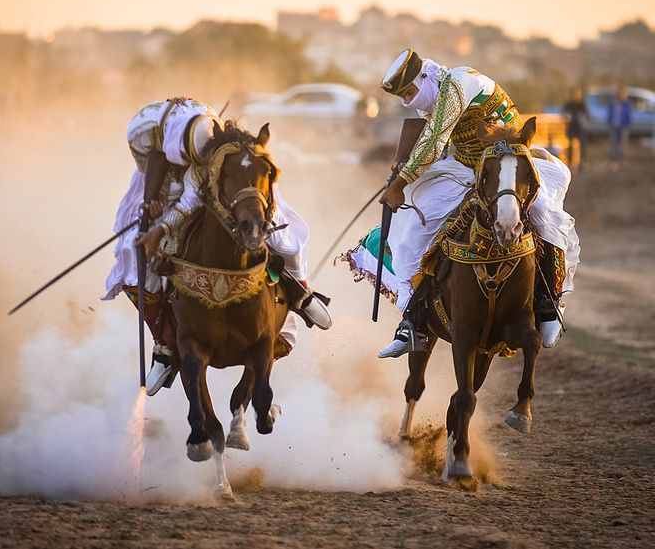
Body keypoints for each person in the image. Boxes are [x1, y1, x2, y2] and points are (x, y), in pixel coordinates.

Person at [102, 98, 331, 396]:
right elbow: (154, 166)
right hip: (162, 190)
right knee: (134, 258)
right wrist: (152, 210)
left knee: (281, 234)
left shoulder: (209, 141)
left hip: (222, 186)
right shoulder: (143, 131)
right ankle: (165, 344)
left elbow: (194, 195)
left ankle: (300, 293)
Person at [370, 49, 580, 357]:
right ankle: (411, 319)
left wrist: (401, 183)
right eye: (403, 96)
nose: (409, 100)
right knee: (415, 222)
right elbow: (439, 146)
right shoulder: (433, 98)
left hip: (509, 162)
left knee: (544, 215)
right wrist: (402, 173)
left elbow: (434, 140)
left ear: (425, 76)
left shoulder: (457, 83)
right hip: (468, 167)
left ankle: (549, 306)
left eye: (411, 91)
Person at [563, 87, 589, 173]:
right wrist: (567, 116)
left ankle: (582, 164)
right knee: (570, 146)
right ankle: (570, 164)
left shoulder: (582, 104)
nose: (576, 96)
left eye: (577, 93)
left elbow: (587, 115)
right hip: (571, 127)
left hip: (580, 128)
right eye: (574, 94)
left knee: (582, 147)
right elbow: (564, 113)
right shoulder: (569, 104)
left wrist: (582, 118)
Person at [607, 87, 632, 172]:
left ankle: (621, 161)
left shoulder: (627, 104)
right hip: (613, 127)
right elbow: (610, 114)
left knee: (622, 145)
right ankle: (614, 161)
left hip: (624, 127)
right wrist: (609, 123)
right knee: (614, 145)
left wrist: (628, 124)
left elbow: (629, 115)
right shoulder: (612, 103)